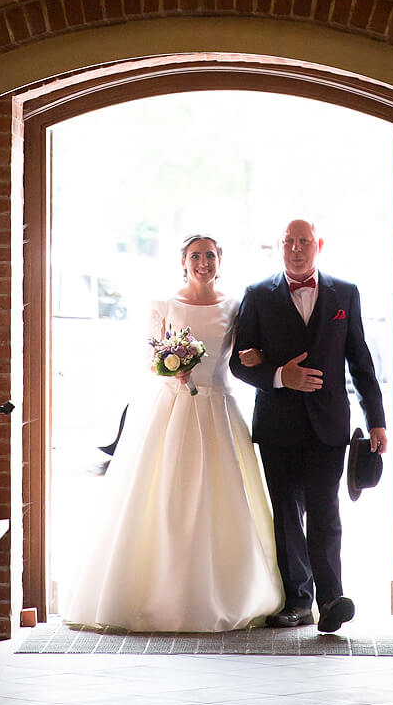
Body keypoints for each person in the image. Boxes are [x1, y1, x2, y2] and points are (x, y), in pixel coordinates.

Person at [60, 234, 284, 632]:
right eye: (195, 256)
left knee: (222, 498)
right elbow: (151, 359)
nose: (203, 262)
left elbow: (247, 350)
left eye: (210, 255)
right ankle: (157, 592)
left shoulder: (234, 305)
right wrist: (170, 367)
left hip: (217, 408)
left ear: (220, 260)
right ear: (183, 261)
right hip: (171, 410)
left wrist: (256, 356)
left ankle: (228, 592)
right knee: (164, 496)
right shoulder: (164, 304)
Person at [230, 217, 387, 633]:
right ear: (278, 247)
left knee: (325, 511)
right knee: (286, 514)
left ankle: (331, 598)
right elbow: (237, 362)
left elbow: (361, 362)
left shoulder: (345, 293)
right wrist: (281, 375)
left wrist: (377, 421)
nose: (296, 249)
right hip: (277, 425)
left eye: (303, 242)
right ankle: (297, 601)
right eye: (288, 242)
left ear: (318, 244)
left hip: (330, 425)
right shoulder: (257, 295)